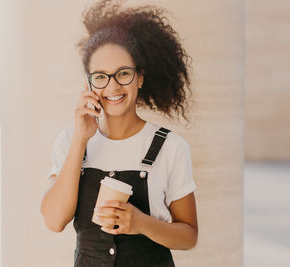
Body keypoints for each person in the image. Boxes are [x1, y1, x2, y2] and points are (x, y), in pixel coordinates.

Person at [40, 0, 198, 266]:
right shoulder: (70, 141)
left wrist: (141, 223)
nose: (112, 86)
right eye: (100, 76)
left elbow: (189, 236)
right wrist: (81, 140)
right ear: (88, 82)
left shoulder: (171, 147)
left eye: (123, 73)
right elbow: (54, 221)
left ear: (140, 77)